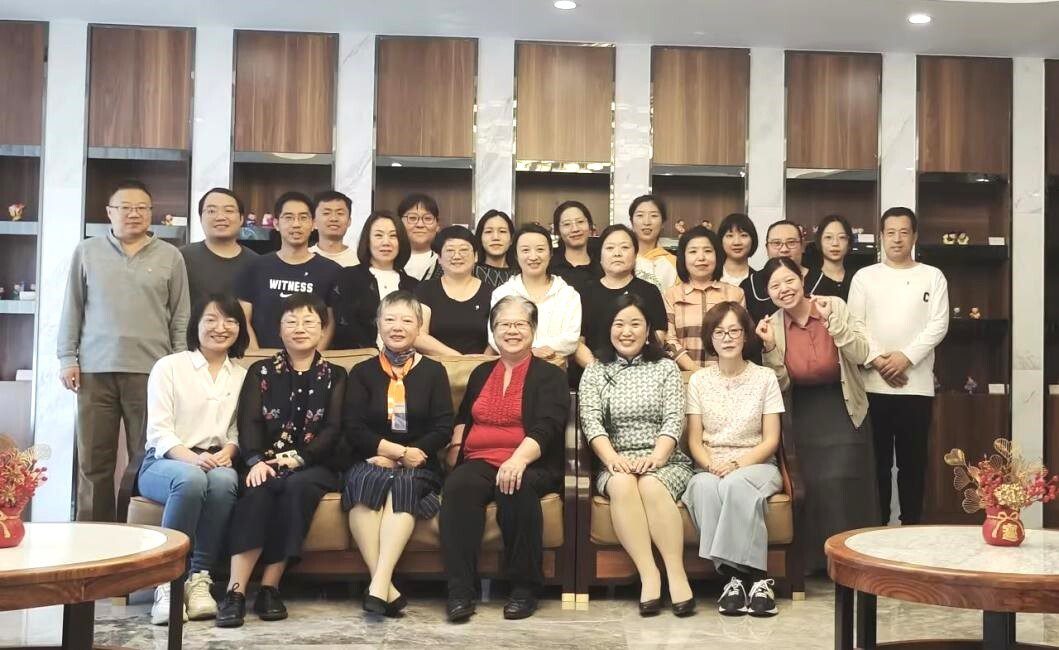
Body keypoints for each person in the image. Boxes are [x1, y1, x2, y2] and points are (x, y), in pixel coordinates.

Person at [59, 179, 190, 522]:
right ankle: (93, 535)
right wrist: (67, 358)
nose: (133, 214)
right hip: (93, 370)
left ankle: (139, 535)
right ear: (109, 213)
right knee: (93, 461)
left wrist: (178, 367)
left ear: (151, 213)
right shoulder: (87, 251)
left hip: (152, 371)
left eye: (141, 208)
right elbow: (73, 307)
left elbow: (181, 317)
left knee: (146, 458)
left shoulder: (170, 256)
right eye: (125, 208)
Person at [216, 294, 348, 628]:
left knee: (296, 489)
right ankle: (235, 591)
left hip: (315, 465)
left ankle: (271, 588)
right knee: (259, 489)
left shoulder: (336, 374)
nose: (300, 329)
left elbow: (333, 430)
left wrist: (298, 459)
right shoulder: (260, 370)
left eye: (309, 322)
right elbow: (249, 423)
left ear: (323, 329)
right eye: (291, 321)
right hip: (264, 461)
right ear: (279, 328)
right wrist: (256, 460)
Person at [440, 296, 570, 622]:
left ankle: (523, 589)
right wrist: (457, 446)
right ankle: (460, 592)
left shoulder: (550, 375)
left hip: (531, 462)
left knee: (515, 488)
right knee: (458, 488)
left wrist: (518, 460)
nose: (511, 331)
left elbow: (549, 425)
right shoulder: (482, 372)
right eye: (503, 325)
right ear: (493, 331)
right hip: (479, 459)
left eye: (520, 324)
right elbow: (463, 416)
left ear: (533, 329)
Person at [756, 257, 879, 572]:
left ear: (802, 279)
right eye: (775, 286)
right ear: (768, 293)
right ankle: (817, 564)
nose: (784, 289)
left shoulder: (832, 305)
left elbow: (862, 354)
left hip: (843, 405)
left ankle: (856, 561)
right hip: (805, 412)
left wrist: (832, 323)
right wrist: (769, 348)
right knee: (814, 486)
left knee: (847, 485)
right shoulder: (772, 325)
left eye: (789, 280)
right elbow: (781, 383)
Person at [579, 294, 695, 617]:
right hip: (616, 458)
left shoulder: (666, 368)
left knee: (651, 485)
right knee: (623, 485)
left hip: (664, 459)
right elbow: (591, 421)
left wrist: (657, 457)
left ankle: (676, 573)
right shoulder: (596, 370)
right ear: (609, 330)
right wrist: (612, 458)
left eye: (635, 324)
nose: (626, 331)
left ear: (648, 332)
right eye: (619, 324)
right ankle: (649, 574)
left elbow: (675, 418)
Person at [139, 294, 248, 625]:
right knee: (192, 478)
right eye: (211, 320)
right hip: (165, 462)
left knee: (225, 480)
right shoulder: (170, 367)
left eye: (230, 321)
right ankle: (167, 581)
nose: (221, 327)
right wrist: (192, 458)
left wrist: (228, 452)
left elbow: (237, 431)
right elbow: (159, 432)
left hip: (218, 461)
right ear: (196, 326)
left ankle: (199, 579)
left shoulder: (242, 375)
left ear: (240, 329)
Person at [343, 292, 454, 616]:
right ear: (378, 324)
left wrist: (411, 453)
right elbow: (353, 425)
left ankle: (378, 583)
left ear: (419, 327)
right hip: (372, 457)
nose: (397, 326)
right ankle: (384, 586)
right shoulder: (362, 371)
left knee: (404, 484)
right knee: (365, 480)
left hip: (420, 462)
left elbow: (443, 426)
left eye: (407, 320)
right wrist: (389, 450)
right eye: (389, 319)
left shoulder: (434, 371)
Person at [682, 301, 784, 618]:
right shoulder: (699, 380)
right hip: (711, 465)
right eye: (719, 332)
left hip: (757, 466)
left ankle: (749, 578)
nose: (727, 338)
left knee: (737, 485)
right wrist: (711, 464)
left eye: (734, 331)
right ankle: (742, 581)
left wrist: (737, 465)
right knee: (702, 488)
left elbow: (771, 440)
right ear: (710, 338)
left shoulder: (765, 377)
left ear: (745, 336)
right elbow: (694, 440)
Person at [848, 207, 949, 526]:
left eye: (904, 232)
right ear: (881, 237)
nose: (897, 238)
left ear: (915, 236)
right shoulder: (865, 277)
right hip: (872, 386)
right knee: (875, 463)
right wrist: (879, 360)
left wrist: (905, 357)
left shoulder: (932, 275)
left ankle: (911, 530)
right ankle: (874, 529)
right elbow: (854, 325)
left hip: (916, 385)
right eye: (890, 232)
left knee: (913, 463)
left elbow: (939, 324)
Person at [236, 191, 341, 350]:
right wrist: (257, 359)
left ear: (313, 224)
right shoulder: (256, 267)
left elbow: (330, 323)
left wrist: (313, 360)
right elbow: (243, 318)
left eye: (303, 218)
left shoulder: (331, 271)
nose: (296, 224)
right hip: (262, 361)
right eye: (289, 218)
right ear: (276, 224)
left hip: (311, 365)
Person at [574, 224, 667, 369]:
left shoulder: (649, 291)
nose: (617, 253)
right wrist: (599, 371)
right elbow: (578, 342)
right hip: (595, 374)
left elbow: (658, 336)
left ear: (635, 254)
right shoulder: (584, 293)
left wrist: (633, 369)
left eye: (625, 247)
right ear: (600, 256)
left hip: (641, 373)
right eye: (610, 248)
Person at [489, 224, 581, 363]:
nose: (533, 256)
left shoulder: (568, 294)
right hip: (512, 369)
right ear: (516, 254)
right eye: (525, 250)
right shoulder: (502, 293)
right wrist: (532, 351)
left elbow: (571, 339)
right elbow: (494, 337)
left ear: (550, 254)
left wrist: (527, 348)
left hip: (554, 371)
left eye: (540, 250)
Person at [331, 211, 419, 349]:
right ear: (367, 240)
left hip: (404, 364)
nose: (386, 242)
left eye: (393, 236)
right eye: (378, 235)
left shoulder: (413, 286)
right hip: (357, 362)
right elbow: (342, 324)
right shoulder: (347, 277)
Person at [664, 226, 746, 370]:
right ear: (683, 257)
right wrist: (696, 372)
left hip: (726, 377)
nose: (701, 257)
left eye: (708, 251)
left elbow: (741, 337)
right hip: (684, 378)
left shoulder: (735, 294)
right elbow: (669, 340)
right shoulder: (671, 295)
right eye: (693, 251)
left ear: (717, 256)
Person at [414, 226, 494, 355]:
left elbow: (497, 338)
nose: (457, 256)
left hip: (482, 368)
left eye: (463, 250)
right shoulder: (426, 290)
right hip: (435, 368)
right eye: (450, 250)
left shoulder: (491, 293)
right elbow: (418, 335)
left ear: (476, 256)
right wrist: (458, 359)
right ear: (439, 258)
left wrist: (481, 364)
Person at [181, 188, 258, 309]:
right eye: (211, 211)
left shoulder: (256, 263)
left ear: (241, 219)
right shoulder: (181, 257)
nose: (220, 217)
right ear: (201, 218)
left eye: (229, 210)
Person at [740, 220, 817, 324]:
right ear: (767, 248)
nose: (784, 249)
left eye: (791, 242)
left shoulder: (823, 282)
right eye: (776, 243)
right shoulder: (749, 285)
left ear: (802, 246)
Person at [547, 200, 601, 292]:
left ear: (590, 225)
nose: (575, 229)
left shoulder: (603, 263)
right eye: (567, 224)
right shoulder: (549, 267)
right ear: (558, 230)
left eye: (580, 222)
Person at [629, 195, 678, 292]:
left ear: (663, 223)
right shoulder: (623, 257)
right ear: (631, 222)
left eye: (654, 215)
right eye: (640, 215)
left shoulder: (675, 263)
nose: (646, 222)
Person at [805, 214, 853, 300]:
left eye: (841, 237)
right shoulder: (809, 280)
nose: (835, 243)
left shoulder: (858, 279)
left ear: (849, 243)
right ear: (819, 241)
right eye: (828, 237)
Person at [309, 190, 359, 267]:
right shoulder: (302, 258)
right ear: (314, 221)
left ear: (349, 221)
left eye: (340, 213)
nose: (333, 218)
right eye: (326, 213)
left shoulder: (358, 261)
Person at [399, 193, 443, 281]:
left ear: (437, 225)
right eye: (412, 218)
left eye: (427, 218)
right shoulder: (388, 261)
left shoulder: (446, 262)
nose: (420, 225)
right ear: (398, 223)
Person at [474, 209, 518, 287]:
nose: (496, 237)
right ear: (480, 238)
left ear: (512, 239)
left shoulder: (520, 274)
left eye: (502, 231)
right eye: (488, 231)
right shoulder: (470, 272)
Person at [718, 213, 758, 287]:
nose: (736, 242)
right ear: (721, 240)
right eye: (730, 236)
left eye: (743, 235)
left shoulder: (759, 280)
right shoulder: (710, 277)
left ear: (753, 240)